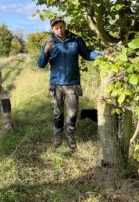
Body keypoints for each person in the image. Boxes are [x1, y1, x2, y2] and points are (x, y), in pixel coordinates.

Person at [38, 16, 100, 149]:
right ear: (52, 29)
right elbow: (41, 64)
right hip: (56, 84)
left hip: (72, 83)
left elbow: (87, 54)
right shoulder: (49, 43)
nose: (59, 30)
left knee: (73, 113)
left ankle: (70, 134)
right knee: (57, 112)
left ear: (65, 25)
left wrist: (102, 56)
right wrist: (44, 52)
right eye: (56, 28)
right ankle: (57, 135)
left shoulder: (76, 40)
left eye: (61, 27)